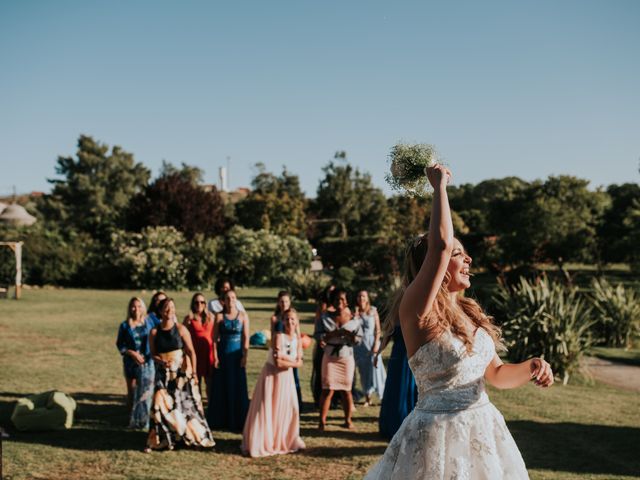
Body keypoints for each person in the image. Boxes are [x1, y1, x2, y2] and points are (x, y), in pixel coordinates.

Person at [365, 165, 553, 479]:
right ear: (433, 267)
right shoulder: (416, 310)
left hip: (482, 433)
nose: (467, 259)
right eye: (458, 254)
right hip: (436, 437)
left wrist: (532, 365)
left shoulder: (471, 314)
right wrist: (439, 186)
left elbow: (497, 375)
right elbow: (439, 246)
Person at [145, 298, 215, 451]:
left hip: (181, 374)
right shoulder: (154, 332)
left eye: (172, 307)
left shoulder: (181, 329)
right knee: (159, 404)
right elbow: (153, 354)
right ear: (160, 311)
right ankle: (158, 440)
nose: (169, 310)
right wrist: (162, 362)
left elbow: (191, 352)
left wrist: (194, 373)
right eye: (166, 307)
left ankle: (190, 436)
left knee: (184, 406)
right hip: (163, 374)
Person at [242, 308, 305, 457]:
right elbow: (278, 363)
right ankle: (263, 441)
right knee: (267, 408)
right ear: (282, 321)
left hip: (287, 379)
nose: (290, 322)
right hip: (272, 377)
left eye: (292, 319)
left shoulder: (298, 340)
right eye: (287, 319)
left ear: (297, 322)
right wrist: (294, 363)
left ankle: (284, 439)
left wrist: (290, 362)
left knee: (288, 409)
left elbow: (300, 361)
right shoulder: (278, 337)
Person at [317, 288, 362, 430]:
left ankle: (348, 420)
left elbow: (358, 340)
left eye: (342, 299)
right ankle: (321, 422)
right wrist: (332, 335)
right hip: (330, 357)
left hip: (346, 357)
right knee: (327, 390)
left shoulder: (354, 319)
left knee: (346, 390)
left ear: (347, 301)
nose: (339, 302)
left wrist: (349, 336)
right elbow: (318, 335)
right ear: (333, 301)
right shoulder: (324, 317)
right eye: (337, 299)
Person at [207, 289, 250, 431]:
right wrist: (215, 356)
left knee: (237, 385)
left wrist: (245, 356)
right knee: (221, 385)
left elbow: (246, 338)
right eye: (228, 298)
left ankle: (237, 419)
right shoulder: (219, 316)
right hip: (223, 354)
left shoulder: (243, 316)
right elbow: (214, 339)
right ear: (223, 301)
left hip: (237, 355)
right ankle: (220, 419)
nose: (231, 300)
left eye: (233, 297)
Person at [115, 297, 155, 428]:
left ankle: (144, 421)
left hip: (146, 363)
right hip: (130, 363)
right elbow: (120, 344)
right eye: (133, 306)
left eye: (139, 306)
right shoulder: (125, 325)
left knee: (145, 393)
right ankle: (132, 420)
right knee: (132, 393)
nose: (136, 309)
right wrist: (131, 353)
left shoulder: (149, 323)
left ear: (143, 307)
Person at [376, 326, 418, 440]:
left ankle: (411, 425)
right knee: (396, 389)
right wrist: (378, 353)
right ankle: (394, 425)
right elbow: (386, 336)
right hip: (398, 356)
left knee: (411, 389)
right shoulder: (395, 312)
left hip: (414, 355)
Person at [353, 290, 386, 406]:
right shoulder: (355, 312)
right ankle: (368, 398)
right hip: (359, 346)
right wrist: (355, 315)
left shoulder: (373, 310)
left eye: (363, 296)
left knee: (377, 370)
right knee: (363, 372)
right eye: (359, 296)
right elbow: (352, 329)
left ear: (367, 298)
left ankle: (382, 396)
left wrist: (377, 343)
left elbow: (377, 329)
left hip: (372, 343)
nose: (361, 298)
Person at [270, 291, 302, 407]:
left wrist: (299, 352)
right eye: (282, 301)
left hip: (291, 351)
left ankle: (295, 403)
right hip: (280, 350)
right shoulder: (274, 319)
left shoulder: (293, 317)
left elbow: (298, 336)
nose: (284, 304)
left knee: (294, 377)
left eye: (286, 301)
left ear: (290, 302)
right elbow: (273, 335)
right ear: (278, 303)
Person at [183, 292, 216, 393]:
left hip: (209, 353)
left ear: (205, 304)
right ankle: (198, 405)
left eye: (202, 302)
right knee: (196, 382)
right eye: (196, 302)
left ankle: (211, 407)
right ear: (193, 304)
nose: (199, 305)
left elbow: (215, 336)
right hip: (195, 354)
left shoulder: (211, 317)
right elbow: (182, 337)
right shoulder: (189, 319)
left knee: (210, 383)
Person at [311, 284, 335, 406]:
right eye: (330, 292)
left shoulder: (340, 308)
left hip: (336, 347)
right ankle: (319, 399)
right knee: (321, 372)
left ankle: (335, 400)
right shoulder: (322, 308)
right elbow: (316, 328)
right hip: (323, 345)